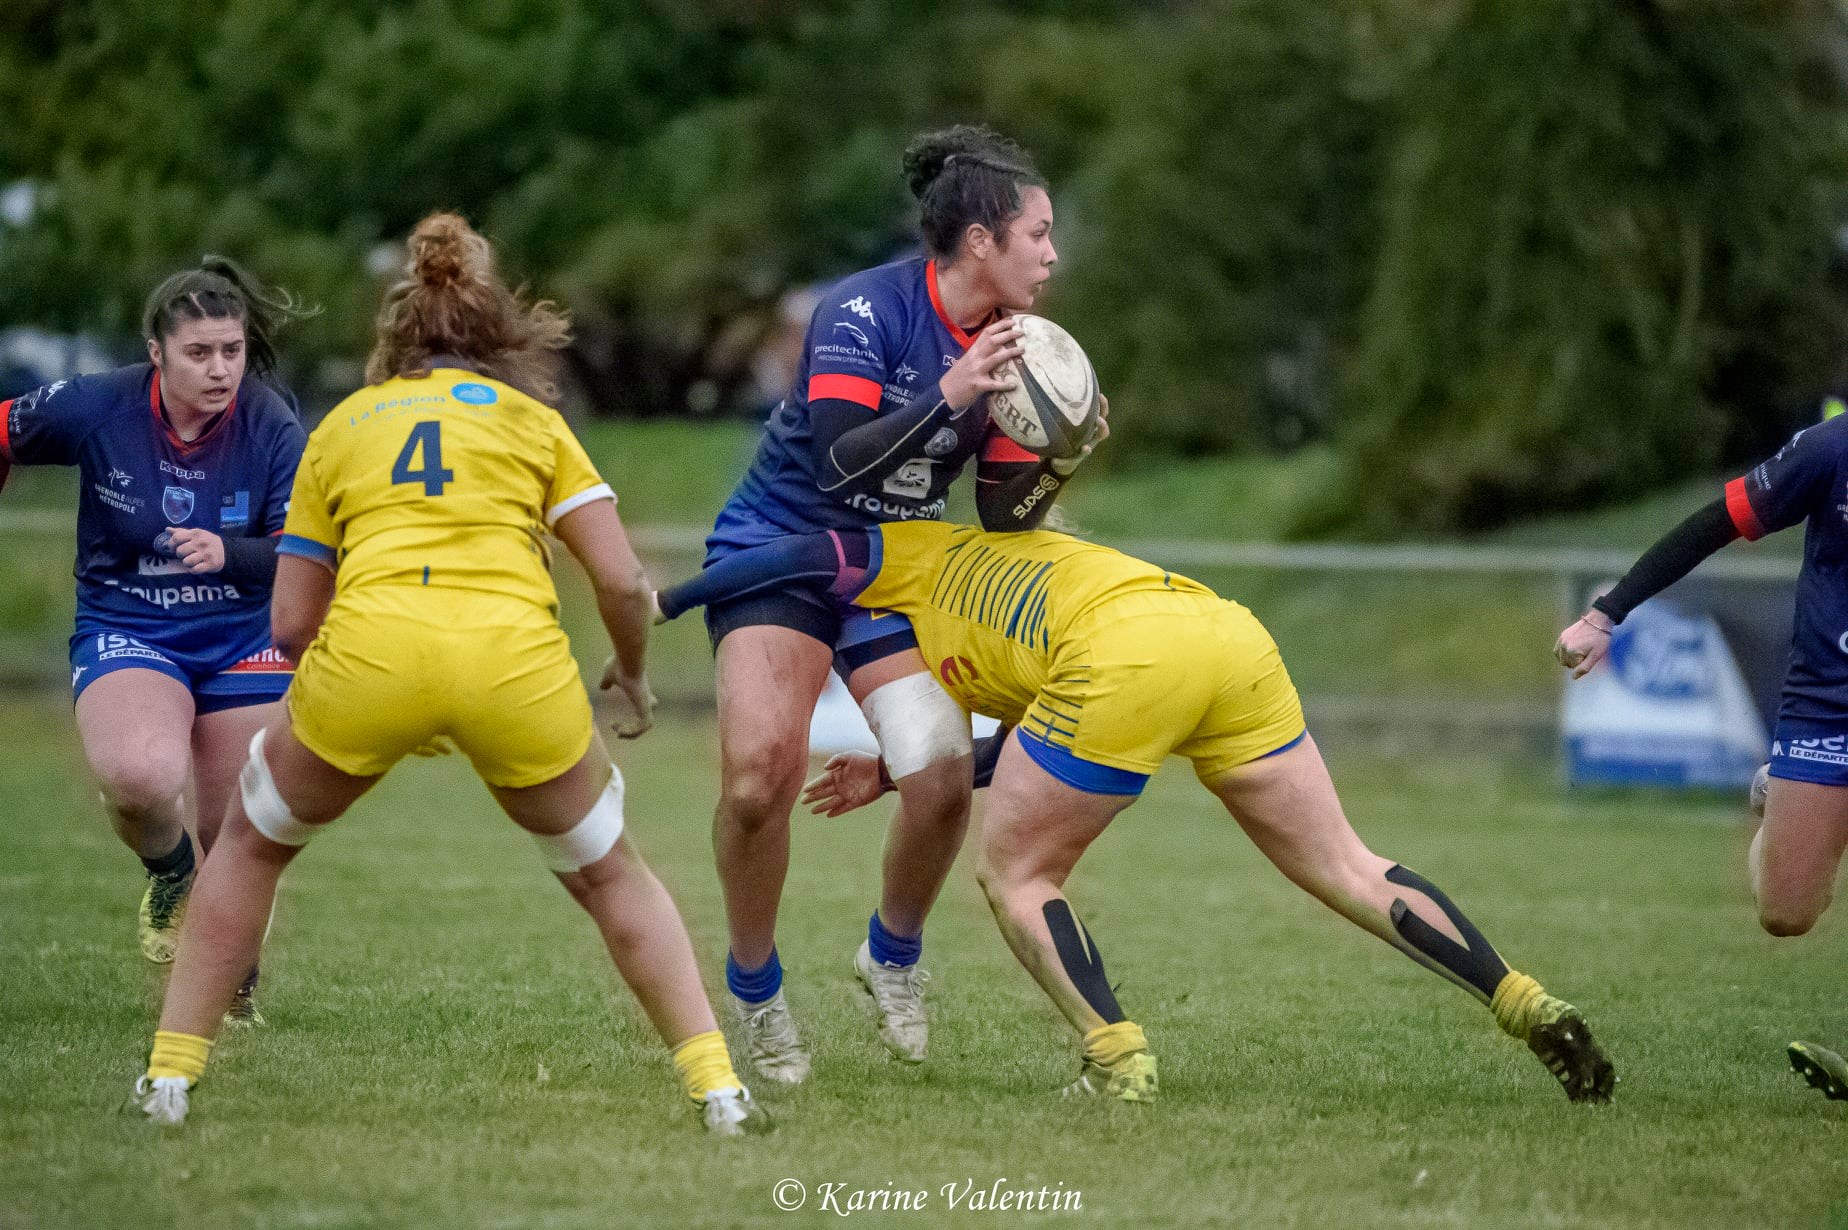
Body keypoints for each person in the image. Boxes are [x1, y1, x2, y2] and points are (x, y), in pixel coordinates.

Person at [130, 213, 766, 1135]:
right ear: (498, 330)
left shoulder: (345, 427)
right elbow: (624, 581)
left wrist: (367, 698)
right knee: (609, 874)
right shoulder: (534, 424)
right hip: (513, 663)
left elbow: (293, 621)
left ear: (395, 334)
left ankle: (170, 1081)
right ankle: (720, 1093)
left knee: (250, 847)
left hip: (372, 655)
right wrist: (629, 674)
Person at [656, 521, 1617, 1103]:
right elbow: (1056, 749)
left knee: (1021, 872)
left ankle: (1117, 1058)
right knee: (1348, 865)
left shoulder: (894, 555)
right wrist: (891, 775)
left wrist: (660, 603)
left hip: (1121, 661)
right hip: (1223, 634)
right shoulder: (1022, 552)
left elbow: (780, 557)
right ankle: (1525, 1000)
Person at [698, 124, 1105, 1081]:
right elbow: (842, 460)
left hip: (894, 566)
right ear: (980, 241)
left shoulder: (1024, 347)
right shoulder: (863, 309)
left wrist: (1060, 455)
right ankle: (755, 992)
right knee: (759, 776)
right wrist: (953, 391)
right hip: (784, 549)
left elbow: (1005, 519)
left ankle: (892, 958)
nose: (1053, 254)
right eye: (1038, 234)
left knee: (937, 773)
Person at [0, 258, 311, 1022]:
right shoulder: (97, 408)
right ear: (156, 351)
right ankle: (170, 874)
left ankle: (232, 994)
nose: (220, 370)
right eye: (199, 353)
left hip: (242, 633)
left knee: (238, 826)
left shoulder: (270, 421)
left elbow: (305, 548)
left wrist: (228, 553)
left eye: (231, 351)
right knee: (139, 777)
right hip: (130, 625)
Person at [1555, 409, 1848, 1103]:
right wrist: (1606, 614)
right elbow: (1717, 521)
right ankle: (1783, 796)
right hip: (1827, 703)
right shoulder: (1831, 451)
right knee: (1787, 911)